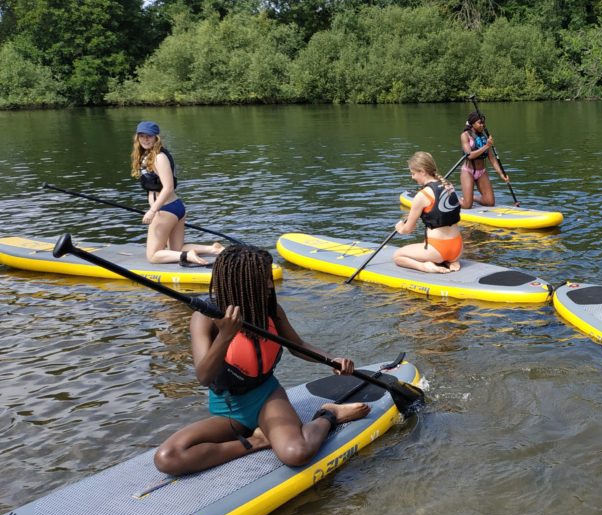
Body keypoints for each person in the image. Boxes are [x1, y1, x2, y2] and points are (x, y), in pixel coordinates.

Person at [154, 245, 370, 475]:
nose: (270, 284)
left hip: (267, 398)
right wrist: (226, 335)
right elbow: (204, 376)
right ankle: (257, 441)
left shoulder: (271, 311)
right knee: (168, 458)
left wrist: (332, 360)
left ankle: (329, 414)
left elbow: (298, 347)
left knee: (297, 453)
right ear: (240, 283)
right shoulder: (205, 318)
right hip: (227, 409)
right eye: (264, 278)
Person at [129, 120, 223, 266]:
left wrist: (152, 211)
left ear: (156, 138)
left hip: (164, 210)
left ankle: (187, 255)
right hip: (174, 207)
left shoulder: (159, 157)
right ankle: (213, 249)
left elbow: (168, 187)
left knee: (153, 256)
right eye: (142, 136)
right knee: (175, 248)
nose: (145, 139)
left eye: (149, 136)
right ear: (137, 138)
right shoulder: (148, 156)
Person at [394, 152, 463, 274]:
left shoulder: (422, 195)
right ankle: (450, 261)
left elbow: (408, 230)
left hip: (439, 249)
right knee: (427, 245)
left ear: (422, 171)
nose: (412, 177)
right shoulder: (449, 186)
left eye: (413, 173)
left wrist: (400, 228)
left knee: (398, 256)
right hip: (457, 248)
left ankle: (425, 266)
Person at [459, 111, 510, 208]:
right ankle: (452, 198)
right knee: (467, 205)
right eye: (480, 123)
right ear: (472, 123)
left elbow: (492, 158)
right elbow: (469, 155)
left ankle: (471, 197)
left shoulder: (485, 137)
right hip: (468, 171)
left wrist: (501, 174)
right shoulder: (465, 135)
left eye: (483, 122)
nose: (482, 125)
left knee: (490, 202)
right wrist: (486, 146)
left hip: (481, 172)